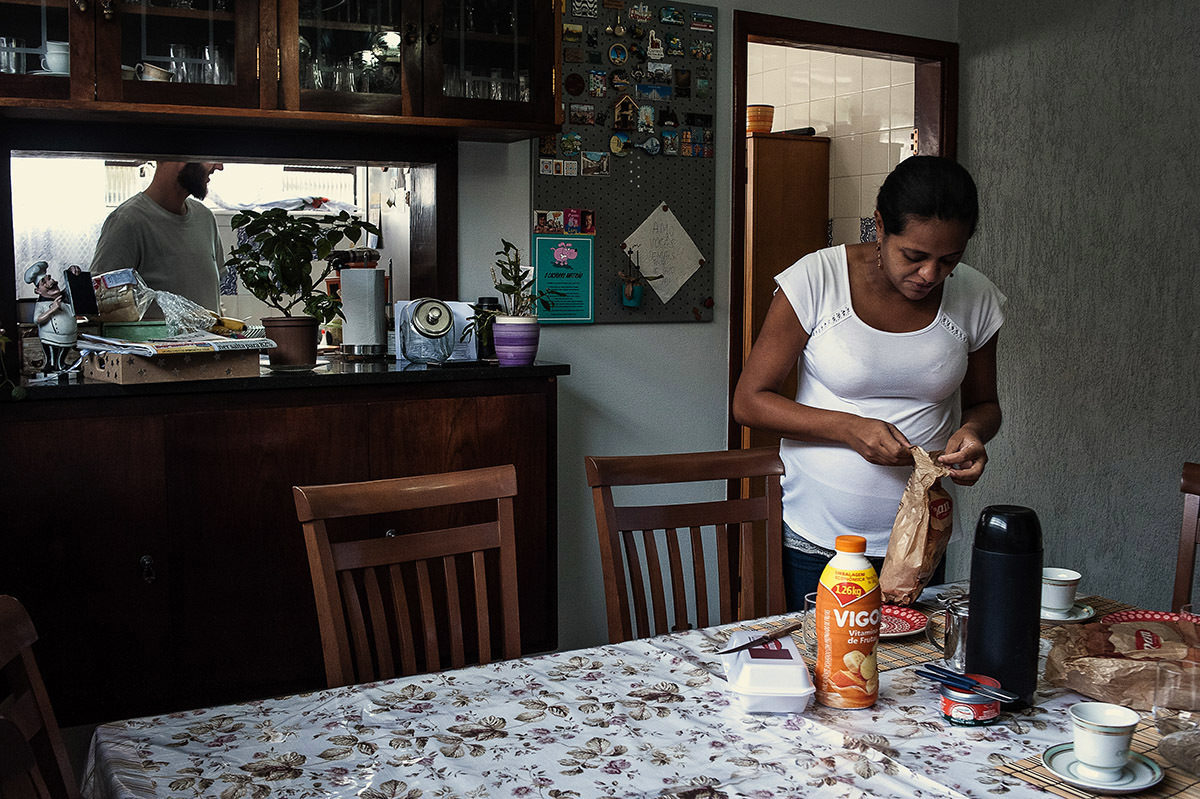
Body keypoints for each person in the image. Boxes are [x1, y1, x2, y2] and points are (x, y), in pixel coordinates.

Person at [732, 156, 1005, 611]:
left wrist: (974, 433)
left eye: (949, 260)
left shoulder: (976, 297)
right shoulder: (817, 279)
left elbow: (985, 404)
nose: (930, 275)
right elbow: (749, 401)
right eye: (914, 256)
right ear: (879, 226)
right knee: (826, 654)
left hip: (922, 536)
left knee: (911, 655)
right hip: (820, 536)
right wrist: (850, 428)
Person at [90, 161, 225, 319]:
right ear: (180, 159)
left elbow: (214, 300)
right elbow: (99, 305)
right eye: (209, 157)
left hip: (211, 336)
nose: (219, 166)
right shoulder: (128, 221)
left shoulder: (205, 218)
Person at [25, 261, 80, 372]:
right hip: (50, 337)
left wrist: (71, 273)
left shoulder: (64, 297)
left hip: (69, 337)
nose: (50, 282)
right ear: (38, 291)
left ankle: (60, 364)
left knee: (62, 355)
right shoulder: (41, 305)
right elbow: (37, 319)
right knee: (52, 356)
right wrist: (52, 309)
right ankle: (51, 366)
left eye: (49, 278)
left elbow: (71, 286)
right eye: (44, 282)